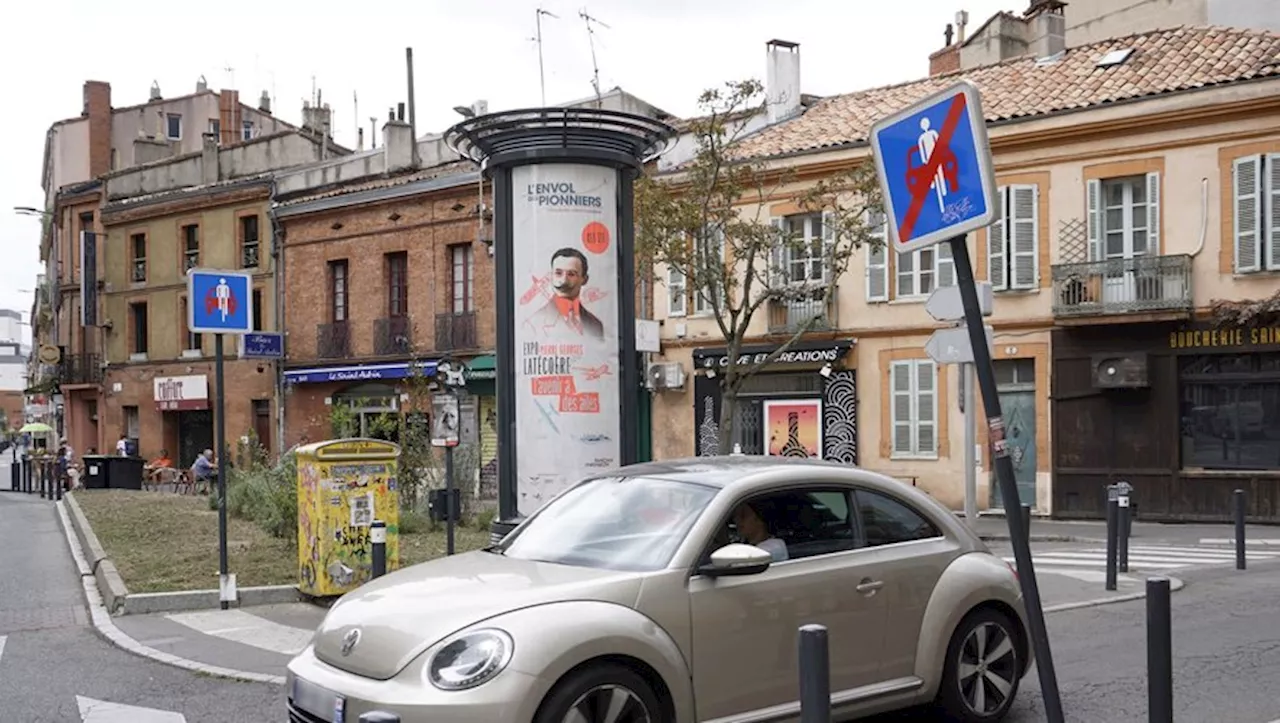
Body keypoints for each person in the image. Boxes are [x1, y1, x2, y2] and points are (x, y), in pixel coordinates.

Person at [527, 247, 604, 338]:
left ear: (584, 279)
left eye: (571, 274)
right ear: (551, 276)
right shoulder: (533, 325)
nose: (563, 281)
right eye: (558, 273)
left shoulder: (595, 325)